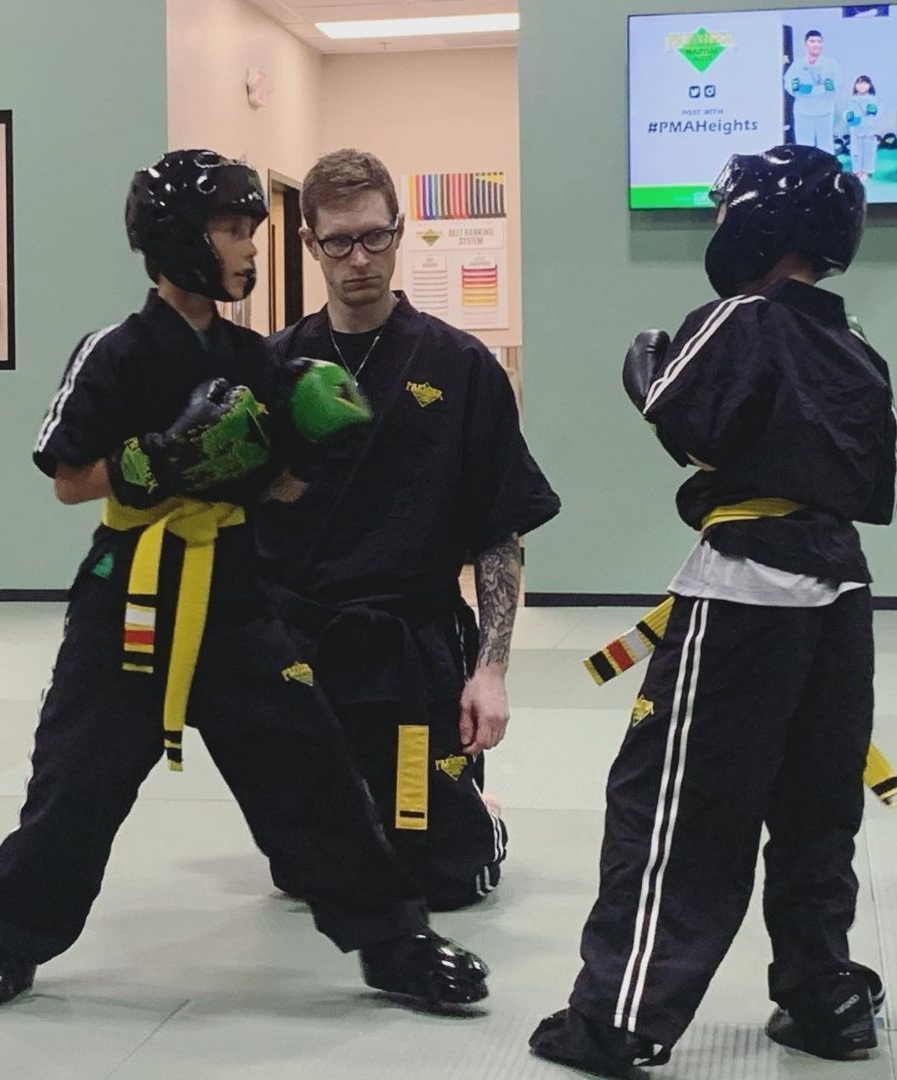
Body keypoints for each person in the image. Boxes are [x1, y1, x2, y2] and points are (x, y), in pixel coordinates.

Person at [0, 149, 488, 1012]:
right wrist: (159, 461)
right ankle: (4, 939)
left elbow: (280, 486)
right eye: (234, 230)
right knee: (77, 779)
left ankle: (393, 941)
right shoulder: (113, 351)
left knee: (309, 763)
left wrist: (307, 447)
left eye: (252, 231)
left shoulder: (250, 353)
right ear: (178, 240)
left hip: (233, 589)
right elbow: (67, 477)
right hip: (130, 591)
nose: (250, 248)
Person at [529, 145, 897, 1075]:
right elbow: (878, 481)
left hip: (743, 592)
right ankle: (825, 999)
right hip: (839, 592)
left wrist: (640, 358)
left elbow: (676, 407)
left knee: (673, 805)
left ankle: (619, 1016)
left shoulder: (739, 315)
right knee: (818, 805)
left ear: (756, 223)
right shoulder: (859, 346)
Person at [260, 149, 560, 911]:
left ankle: (478, 823)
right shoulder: (274, 369)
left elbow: (500, 532)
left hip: (415, 645)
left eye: (375, 237)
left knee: (440, 879)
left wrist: (490, 670)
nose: (359, 259)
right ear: (310, 244)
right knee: (309, 879)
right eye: (338, 242)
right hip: (309, 645)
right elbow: (245, 526)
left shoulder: (463, 368)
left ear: (400, 232)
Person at [783, 30, 843, 154]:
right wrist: (793, 87)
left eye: (819, 42)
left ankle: (827, 171)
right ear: (806, 44)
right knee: (804, 145)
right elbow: (788, 82)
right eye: (812, 41)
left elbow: (839, 82)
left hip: (824, 109)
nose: (816, 44)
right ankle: (806, 173)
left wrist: (832, 86)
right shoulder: (798, 64)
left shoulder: (830, 64)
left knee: (825, 144)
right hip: (803, 110)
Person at [844, 75, 882, 181]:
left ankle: (866, 170)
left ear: (870, 85)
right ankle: (857, 170)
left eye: (865, 83)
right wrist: (848, 115)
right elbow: (847, 112)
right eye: (859, 83)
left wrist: (875, 111)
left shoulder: (873, 99)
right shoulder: (852, 100)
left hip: (869, 129)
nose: (862, 86)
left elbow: (879, 112)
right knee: (856, 151)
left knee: (868, 150)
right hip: (855, 129)